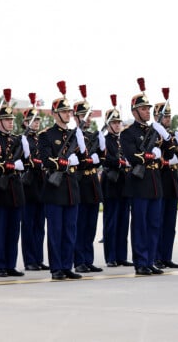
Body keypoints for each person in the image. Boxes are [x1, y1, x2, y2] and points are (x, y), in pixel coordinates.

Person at [121, 80, 173, 276]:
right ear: (134, 112)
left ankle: (151, 260)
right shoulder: (128, 133)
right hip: (139, 184)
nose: (147, 111)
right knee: (140, 225)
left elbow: (169, 154)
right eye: (143, 109)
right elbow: (132, 156)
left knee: (154, 224)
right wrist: (151, 155)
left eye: (148, 108)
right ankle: (141, 262)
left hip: (155, 183)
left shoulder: (156, 131)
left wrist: (166, 138)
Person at [39, 81, 87, 280]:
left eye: (69, 112)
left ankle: (67, 266)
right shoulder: (46, 136)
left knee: (70, 231)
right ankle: (56, 268)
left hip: (71, 189)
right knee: (56, 231)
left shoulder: (75, 135)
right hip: (55, 189)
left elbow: (83, 162)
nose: (69, 114)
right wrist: (66, 163)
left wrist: (83, 152)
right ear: (55, 114)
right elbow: (46, 160)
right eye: (65, 112)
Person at [154, 100, 178, 269]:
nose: (167, 119)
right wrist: (168, 161)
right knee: (158, 223)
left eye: (168, 116)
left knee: (170, 225)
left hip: (172, 185)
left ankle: (167, 256)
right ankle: (157, 257)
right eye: (164, 116)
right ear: (156, 117)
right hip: (159, 183)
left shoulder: (174, 135)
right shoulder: (153, 136)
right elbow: (159, 161)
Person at [72, 87, 105, 274]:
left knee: (91, 226)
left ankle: (88, 258)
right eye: (83, 115)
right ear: (76, 117)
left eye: (88, 115)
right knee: (80, 224)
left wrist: (101, 149)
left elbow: (103, 157)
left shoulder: (92, 135)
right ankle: (78, 260)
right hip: (80, 183)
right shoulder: (71, 136)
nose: (87, 119)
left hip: (93, 184)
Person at [101, 95, 134, 268]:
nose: (117, 125)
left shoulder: (123, 140)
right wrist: (120, 162)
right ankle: (111, 256)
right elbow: (106, 159)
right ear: (108, 124)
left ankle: (121, 255)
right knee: (111, 221)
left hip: (124, 183)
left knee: (123, 222)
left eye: (118, 122)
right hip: (111, 183)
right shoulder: (105, 140)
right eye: (114, 123)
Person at [0, 89, 27, 277]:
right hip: (0, 191)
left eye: (11, 120)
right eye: (7, 120)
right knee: (0, 230)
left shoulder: (17, 139)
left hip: (15, 190)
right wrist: (6, 166)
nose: (10, 122)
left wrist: (20, 163)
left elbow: (26, 161)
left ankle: (10, 263)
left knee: (13, 230)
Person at [20, 94, 49, 272]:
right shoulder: (22, 139)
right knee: (29, 226)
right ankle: (30, 260)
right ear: (25, 122)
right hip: (29, 185)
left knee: (39, 226)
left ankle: (38, 258)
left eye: (37, 119)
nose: (36, 122)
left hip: (41, 185)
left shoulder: (40, 139)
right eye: (32, 120)